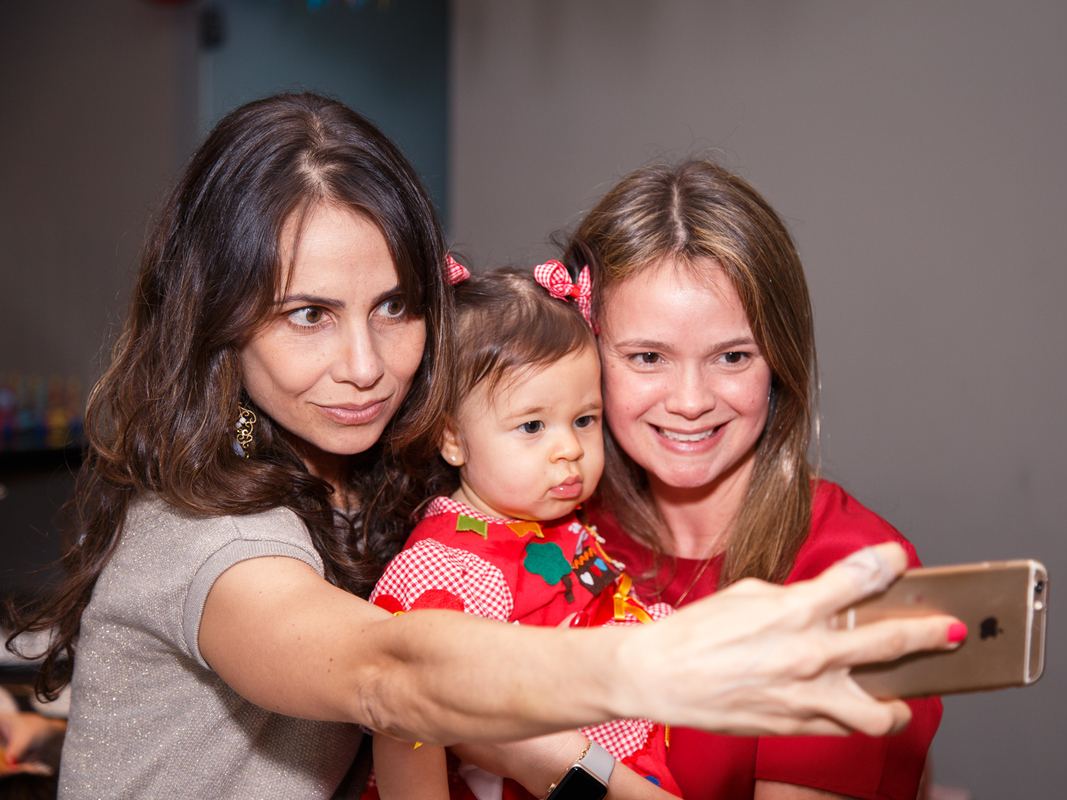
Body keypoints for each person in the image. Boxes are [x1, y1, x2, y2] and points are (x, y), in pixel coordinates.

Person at [4, 95, 961, 800]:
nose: (365, 365)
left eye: (395, 306)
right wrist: (649, 665)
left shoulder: (452, 491)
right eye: (306, 315)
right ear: (218, 320)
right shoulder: (209, 533)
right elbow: (391, 674)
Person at [558, 158, 953, 800]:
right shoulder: (552, 532)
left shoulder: (851, 573)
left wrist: (539, 756)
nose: (690, 400)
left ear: (780, 366)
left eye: (733, 356)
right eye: (648, 357)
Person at [366, 264, 679, 800]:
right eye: (532, 426)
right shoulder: (449, 568)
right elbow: (404, 722)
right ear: (453, 439)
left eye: (585, 419)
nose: (570, 449)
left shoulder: (557, 521)